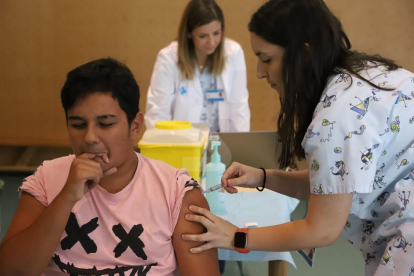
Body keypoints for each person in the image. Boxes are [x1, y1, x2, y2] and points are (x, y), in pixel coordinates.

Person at [181, 0, 414, 275]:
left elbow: (321, 229)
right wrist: (263, 177)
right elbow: (333, 184)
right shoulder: (366, 74)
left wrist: (237, 236)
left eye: (266, 59)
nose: (259, 72)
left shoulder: (336, 119)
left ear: (302, 54)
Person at [0, 58, 220, 276]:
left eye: (105, 124)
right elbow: (11, 270)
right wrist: (66, 197)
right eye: (77, 124)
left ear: (134, 126)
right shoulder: (47, 179)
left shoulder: (176, 193)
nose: (89, 138)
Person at [145, 0, 250, 133]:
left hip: (222, 145)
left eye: (216, 33)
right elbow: (158, 113)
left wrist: (239, 148)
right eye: (203, 36)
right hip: (181, 144)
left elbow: (239, 109)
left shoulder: (233, 53)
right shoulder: (168, 58)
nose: (211, 42)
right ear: (189, 33)